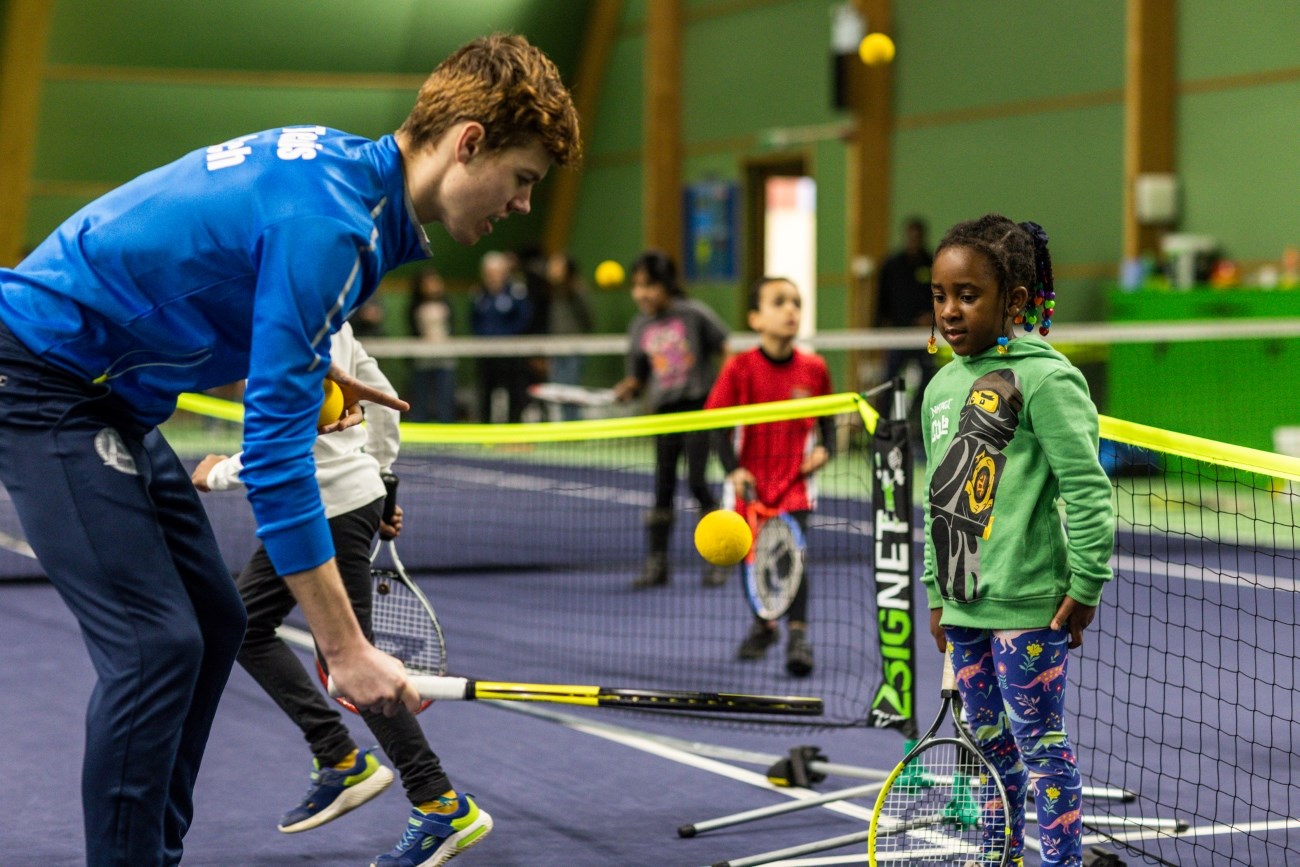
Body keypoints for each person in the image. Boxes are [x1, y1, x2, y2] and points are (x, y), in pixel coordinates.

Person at [0, 32, 579, 867]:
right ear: (470, 143)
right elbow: (273, 460)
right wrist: (345, 650)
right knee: (155, 644)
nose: (523, 206)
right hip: (44, 377)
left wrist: (319, 371)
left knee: (216, 617)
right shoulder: (335, 223)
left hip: (107, 392)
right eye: (523, 179)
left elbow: (215, 286)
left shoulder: (349, 180)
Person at [191, 322, 487, 865]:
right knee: (240, 623)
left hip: (323, 507)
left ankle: (440, 802)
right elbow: (380, 393)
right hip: (324, 504)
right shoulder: (327, 303)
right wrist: (378, 477)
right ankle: (340, 758)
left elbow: (292, 433)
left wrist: (218, 476)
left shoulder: (286, 312)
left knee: (353, 662)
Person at [921, 214, 1114, 867]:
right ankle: (998, 854)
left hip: (1029, 608)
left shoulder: (1048, 379)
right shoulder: (942, 385)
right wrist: (936, 589)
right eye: (940, 294)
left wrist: (1085, 585)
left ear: (1014, 301)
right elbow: (937, 499)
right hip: (965, 606)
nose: (950, 310)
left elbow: (1087, 488)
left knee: (1040, 746)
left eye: (967, 294)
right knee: (987, 745)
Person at [705, 277, 834, 677]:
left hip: (795, 484)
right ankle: (764, 625)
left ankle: (797, 638)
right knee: (752, 562)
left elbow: (829, 419)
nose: (791, 310)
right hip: (750, 486)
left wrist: (825, 449)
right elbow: (715, 426)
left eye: (796, 302)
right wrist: (734, 469)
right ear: (756, 318)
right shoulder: (739, 368)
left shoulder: (814, 368)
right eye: (779, 302)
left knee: (794, 559)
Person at [612, 249, 730, 589]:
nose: (641, 294)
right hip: (663, 415)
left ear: (666, 286)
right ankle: (657, 564)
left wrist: (725, 391)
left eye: (649, 285)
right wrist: (628, 388)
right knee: (662, 488)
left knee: (697, 482)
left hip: (698, 408)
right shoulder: (639, 327)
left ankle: (721, 556)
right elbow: (638, 376)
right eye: (636, 286)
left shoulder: (693, 314)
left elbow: (726, 345)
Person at [877, 216, 936, 432]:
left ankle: (917, 425)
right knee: (889, 382)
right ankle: (882, 430)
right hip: (896, 337)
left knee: (929, 378)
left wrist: (932, 317)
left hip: (925, 338)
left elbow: (940, 297)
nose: (914, 239)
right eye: (910, 235)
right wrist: (880, 333)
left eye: (917, 235)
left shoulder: (932, 264)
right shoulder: (892, 265)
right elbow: (881, 303)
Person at [470, 250, 533, 423]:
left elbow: (523, 319)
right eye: (489, 273)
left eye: (497, 272)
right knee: (486, 394)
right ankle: (486, 434)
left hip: (511, 356)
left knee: (515, 395)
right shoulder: (479, 294)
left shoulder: (517, 291)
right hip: (486, 355)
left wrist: (507, 339)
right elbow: (474, 321)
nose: (493, 277)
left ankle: (514, 436)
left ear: (505, 273)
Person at [544, 251, 594, 421]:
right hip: (554, 347)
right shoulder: (548, 291)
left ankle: (573, 426)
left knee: (571, 389)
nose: (552, 269)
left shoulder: (577, 289)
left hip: (574, 348)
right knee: (557, 390)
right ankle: (561, 426)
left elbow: (588, 319)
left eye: (557, 265)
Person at [407, 267, 459, 423]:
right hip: (422, 359)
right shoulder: (414, 307)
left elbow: (453, 328)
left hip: (444, 358)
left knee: (445, 397)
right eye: (427, 282)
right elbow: (413, 330)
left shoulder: (447, 304)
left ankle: (447, 428)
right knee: (420, 397)